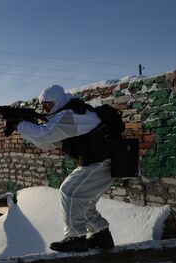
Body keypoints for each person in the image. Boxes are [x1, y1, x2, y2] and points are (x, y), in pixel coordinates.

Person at [14, 85, 115, 252]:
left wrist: (20, 124)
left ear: (57, 101)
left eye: (48, 105)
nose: (45, 109)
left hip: (103, 162)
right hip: (99, 162)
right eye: (43, 105)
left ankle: (75, 238)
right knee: (83, 199)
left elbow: (45, 134)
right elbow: (47, 143)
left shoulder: (70, 115)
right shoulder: (66, 114)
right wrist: (23, 127)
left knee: (69, 191)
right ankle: (101, 234)